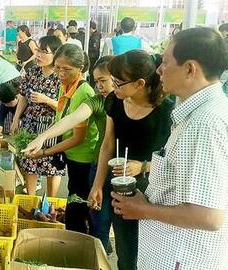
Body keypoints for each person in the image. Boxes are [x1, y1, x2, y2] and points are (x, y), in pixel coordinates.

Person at [112, 27, 228, 270]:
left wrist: (143, 209)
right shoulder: (196, 113)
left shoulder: (204, 124)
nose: (159, 70)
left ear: (189, 69)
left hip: (180, 258)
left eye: (165, 62)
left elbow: (208, 216)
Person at [88, 50, 174, 270]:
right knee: (125, 248)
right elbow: (108, 143)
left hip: (153, 189)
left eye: (118, 83)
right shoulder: (115, 102)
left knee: (148, 248)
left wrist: (143, 166)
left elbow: (176, 160)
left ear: (139, 83)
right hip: (119, 185)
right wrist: (98, 184)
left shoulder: (167, 111)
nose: (113, 88)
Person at [23, 56, 115, 252]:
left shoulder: (89, 93)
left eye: (103, 81)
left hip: (104, 166)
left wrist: (144, 166)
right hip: (97, 164)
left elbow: (79, 136)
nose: (99, 86)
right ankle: (87, 255)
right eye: (97, 81)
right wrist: (42, 138)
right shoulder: (97, 101)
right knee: (97, 220)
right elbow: (72, 119)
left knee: (98, 219)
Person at [28, 44, 98, 234]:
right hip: (71, 156)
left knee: (78, 206)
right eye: (57, 67)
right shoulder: (65, 85)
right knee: (75, 201)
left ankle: (80, 244)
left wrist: (44, 151)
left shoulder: (84, 93)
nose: (60, 73)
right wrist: (41, 139)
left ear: (80, 68)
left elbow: (78, 138)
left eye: (67, 69)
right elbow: (61, 119)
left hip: (83, 159)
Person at [11, 36, 65, 197]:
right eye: (38, 50)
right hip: (30, 124)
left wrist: (47, 100)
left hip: (52, 128)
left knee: (51, 166)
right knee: (29, 162)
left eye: (44, 51)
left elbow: (66, 108)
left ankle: (51, 203)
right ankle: (31, 199)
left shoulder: (61, 77)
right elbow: (23, 97)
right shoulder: (32, 72)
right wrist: (15, 120)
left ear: (56, 55)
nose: (39, 55)